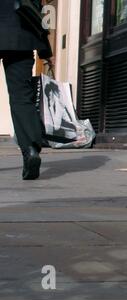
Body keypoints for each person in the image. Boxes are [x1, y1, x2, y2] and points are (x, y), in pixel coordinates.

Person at [0, 0, 52, 180]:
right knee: (22, 96)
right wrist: (45, 47)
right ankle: (30, 148)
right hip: (21, 36)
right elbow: (39, 7)